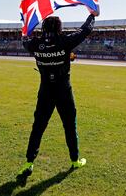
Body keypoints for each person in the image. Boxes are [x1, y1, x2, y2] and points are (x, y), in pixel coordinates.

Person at [17, 12, 98, 178]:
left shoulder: (34, 44)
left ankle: (28, 163)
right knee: (69, 126)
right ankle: (75, 160)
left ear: (43, 28)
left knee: (38, 127)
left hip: (45, 91)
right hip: (64, 91)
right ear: (59, 28)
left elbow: (24, 40)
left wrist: (24, 28)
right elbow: (84, 31)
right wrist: (92, 15)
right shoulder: (64, 41)